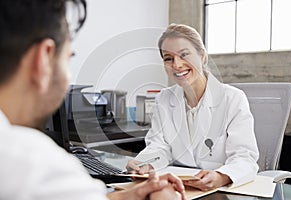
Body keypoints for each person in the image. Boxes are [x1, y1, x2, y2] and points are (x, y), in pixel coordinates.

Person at [0, 1, 186, 200]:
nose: (177, 65)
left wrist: (123, 197)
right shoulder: (34, 165)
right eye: (67, 58)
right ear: (43, 58)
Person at [126, 23, 260, 191]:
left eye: (184, 55)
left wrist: (222, 176)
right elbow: (159, 146)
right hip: (177, 188)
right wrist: (145, 164)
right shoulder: (164, 99)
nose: (177, 64)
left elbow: (244, 157)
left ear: (202, 56)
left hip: (220, 191)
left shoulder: (233, 98)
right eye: (169, 58)